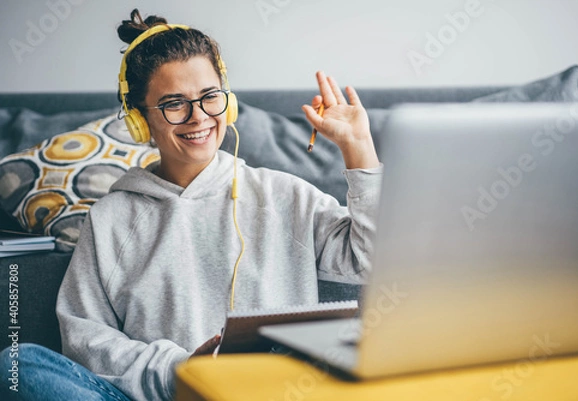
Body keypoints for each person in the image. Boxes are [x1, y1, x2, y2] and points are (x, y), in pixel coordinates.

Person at [0, 8, 382, 401]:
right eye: (174, 103)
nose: (198, 117)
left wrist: (358, 146)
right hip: (166, 395)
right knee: (18, 364)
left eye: (209, 97)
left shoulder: (286, 195)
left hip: (271, 393)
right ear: (139, 121)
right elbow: (84, 338)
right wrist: (182, 370)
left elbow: (372, 260)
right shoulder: (110, 219)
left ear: (228, 102)